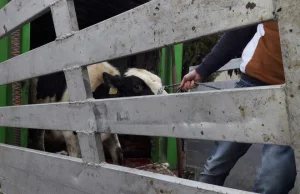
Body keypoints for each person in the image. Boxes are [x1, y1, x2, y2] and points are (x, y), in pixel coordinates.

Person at [180, 21, 296, 194]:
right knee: (216, 166)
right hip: (252, 85)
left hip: (293, 97)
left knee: (274, 182)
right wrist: (202, 70)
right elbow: (240, 31)